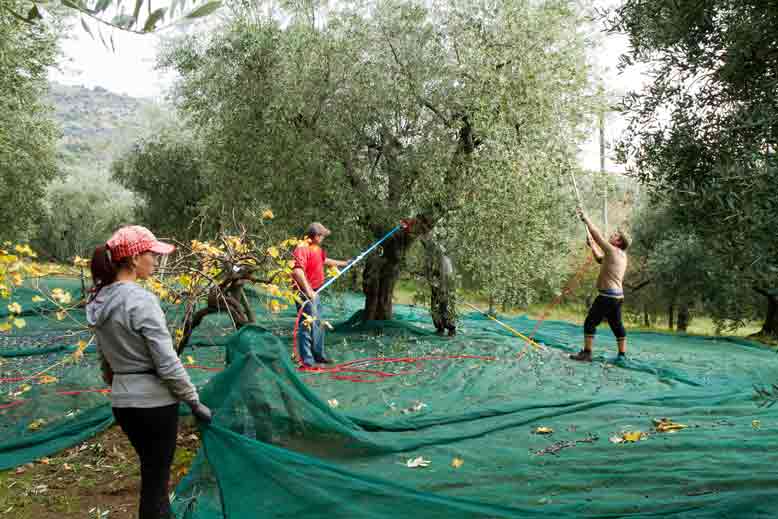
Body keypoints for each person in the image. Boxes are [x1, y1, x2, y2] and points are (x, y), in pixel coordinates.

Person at [86, 225, 212, 519]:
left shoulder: (98, 301)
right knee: (156, 486)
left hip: (123, 404)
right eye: (150, 254)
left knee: (152, 474)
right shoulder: (140, 300)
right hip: (154, 404)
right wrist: (193, 401)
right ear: (132, 259)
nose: (155, 260)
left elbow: (105, 357)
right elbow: (167, 362)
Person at [570, 208, 630, 362]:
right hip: (617, 298)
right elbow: (599, 259)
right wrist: (592, 246)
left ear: (619, 242)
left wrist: (586, 218)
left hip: (607, 297)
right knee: (617, 325)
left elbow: (596, 234)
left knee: (590, 322)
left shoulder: (612, 250)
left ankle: (587, 353)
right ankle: (622, 355)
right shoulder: (620, 255)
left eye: (615, 236)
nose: (612, 235)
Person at [291, 222, 350, 368]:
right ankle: (307, 361)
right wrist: (309, 291)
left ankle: (319, 356)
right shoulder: (302, 248)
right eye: (323, 235)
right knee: (307, 325)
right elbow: (297, 271)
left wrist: (345, 263)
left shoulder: (316, 248)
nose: (324, 238)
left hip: (315, 291)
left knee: (318, 323)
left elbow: (324, 260)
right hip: (305, 292)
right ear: (317, 236)